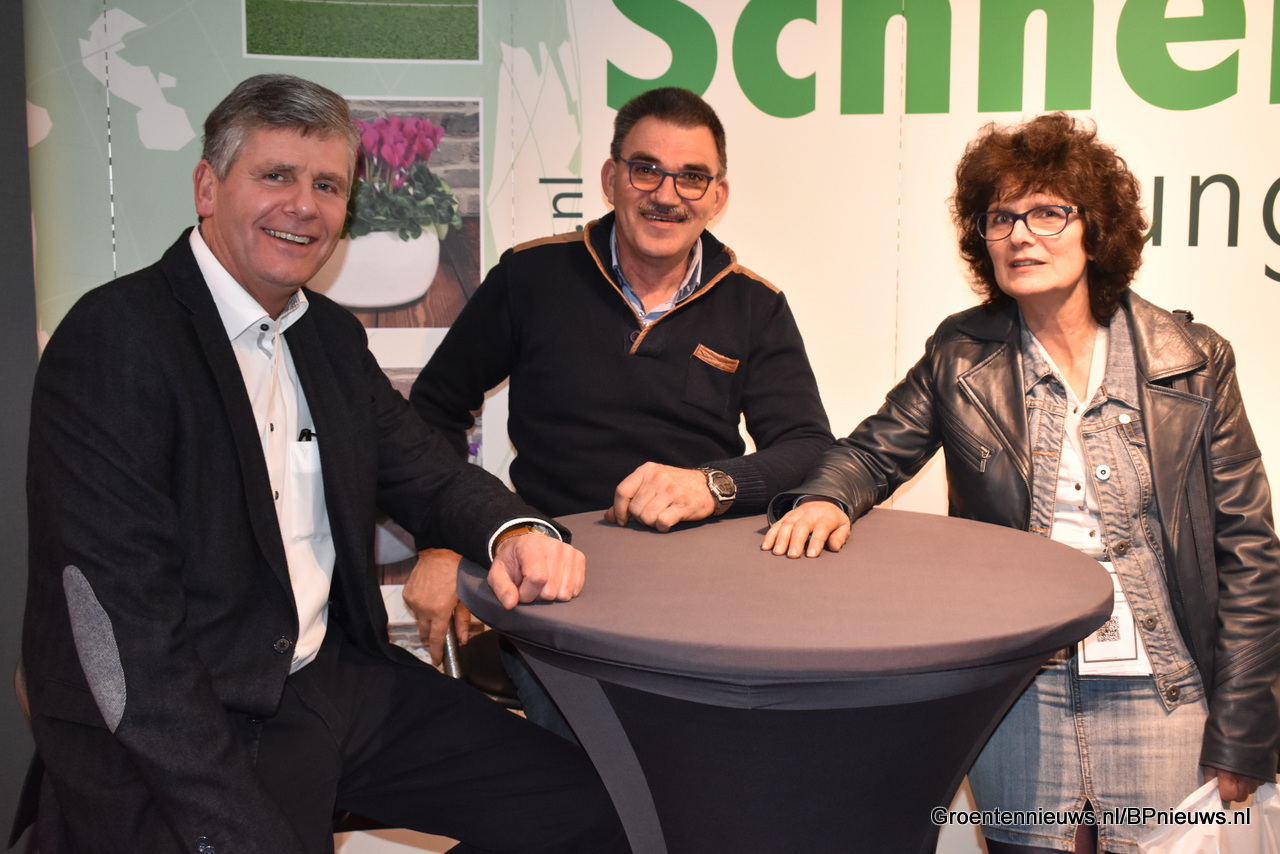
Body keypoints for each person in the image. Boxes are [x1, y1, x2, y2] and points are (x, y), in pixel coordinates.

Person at [17, 74, 629, 854]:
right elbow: (128, 644)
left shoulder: (329, 337)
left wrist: (516, 531)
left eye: (328, 185)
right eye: (275, 175)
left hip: (333, 679)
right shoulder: (117, 339)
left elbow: (429, 472)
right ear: (207, 187)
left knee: (597, 813)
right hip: (189, 713)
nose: (303, 205)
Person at [763, 113, 1280, 853]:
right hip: (1020, 696)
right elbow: (871, 454)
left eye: (1047, 212)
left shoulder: (1193, 359)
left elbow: (1250, 553)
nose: (1019, 235)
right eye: (1000, 217)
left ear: (1096, 230)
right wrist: (823, 495)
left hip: (1163, 694)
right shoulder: (960, 354)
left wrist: (1246, 727)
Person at [405, 86, 832, 672]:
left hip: (701, 585)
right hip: (549, 572)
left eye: (692, 177)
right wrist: (440, 543)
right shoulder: (531, 277)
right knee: (588, 719)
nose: (666, 195)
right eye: (646, 170)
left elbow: (809, 446)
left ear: (717, 196)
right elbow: (433, 408)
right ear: (611, 179)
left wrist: (712, 485)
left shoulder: (755, 304)